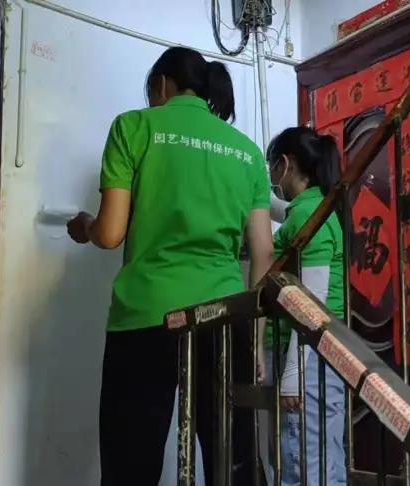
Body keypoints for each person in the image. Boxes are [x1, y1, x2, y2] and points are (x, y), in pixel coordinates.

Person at [66, 46, 274, 486]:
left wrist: (84, 226)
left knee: (131, 466)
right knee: (230, 463)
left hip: (147, 317)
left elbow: (110, 233)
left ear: (161, 85)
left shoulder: (134, 127)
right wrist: (254, 343)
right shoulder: (247, 152)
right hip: (224, 318)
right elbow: (263, 255)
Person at [264, 126, 347, 485]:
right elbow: (283, 216)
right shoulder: (315, 208)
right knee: (325, 461)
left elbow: (310, 305)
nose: (270, 177)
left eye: (270, 167)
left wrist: (292, 377)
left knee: (303, 465)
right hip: (322, 352)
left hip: (307, 354)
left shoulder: (308, 217)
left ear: (285, 164)